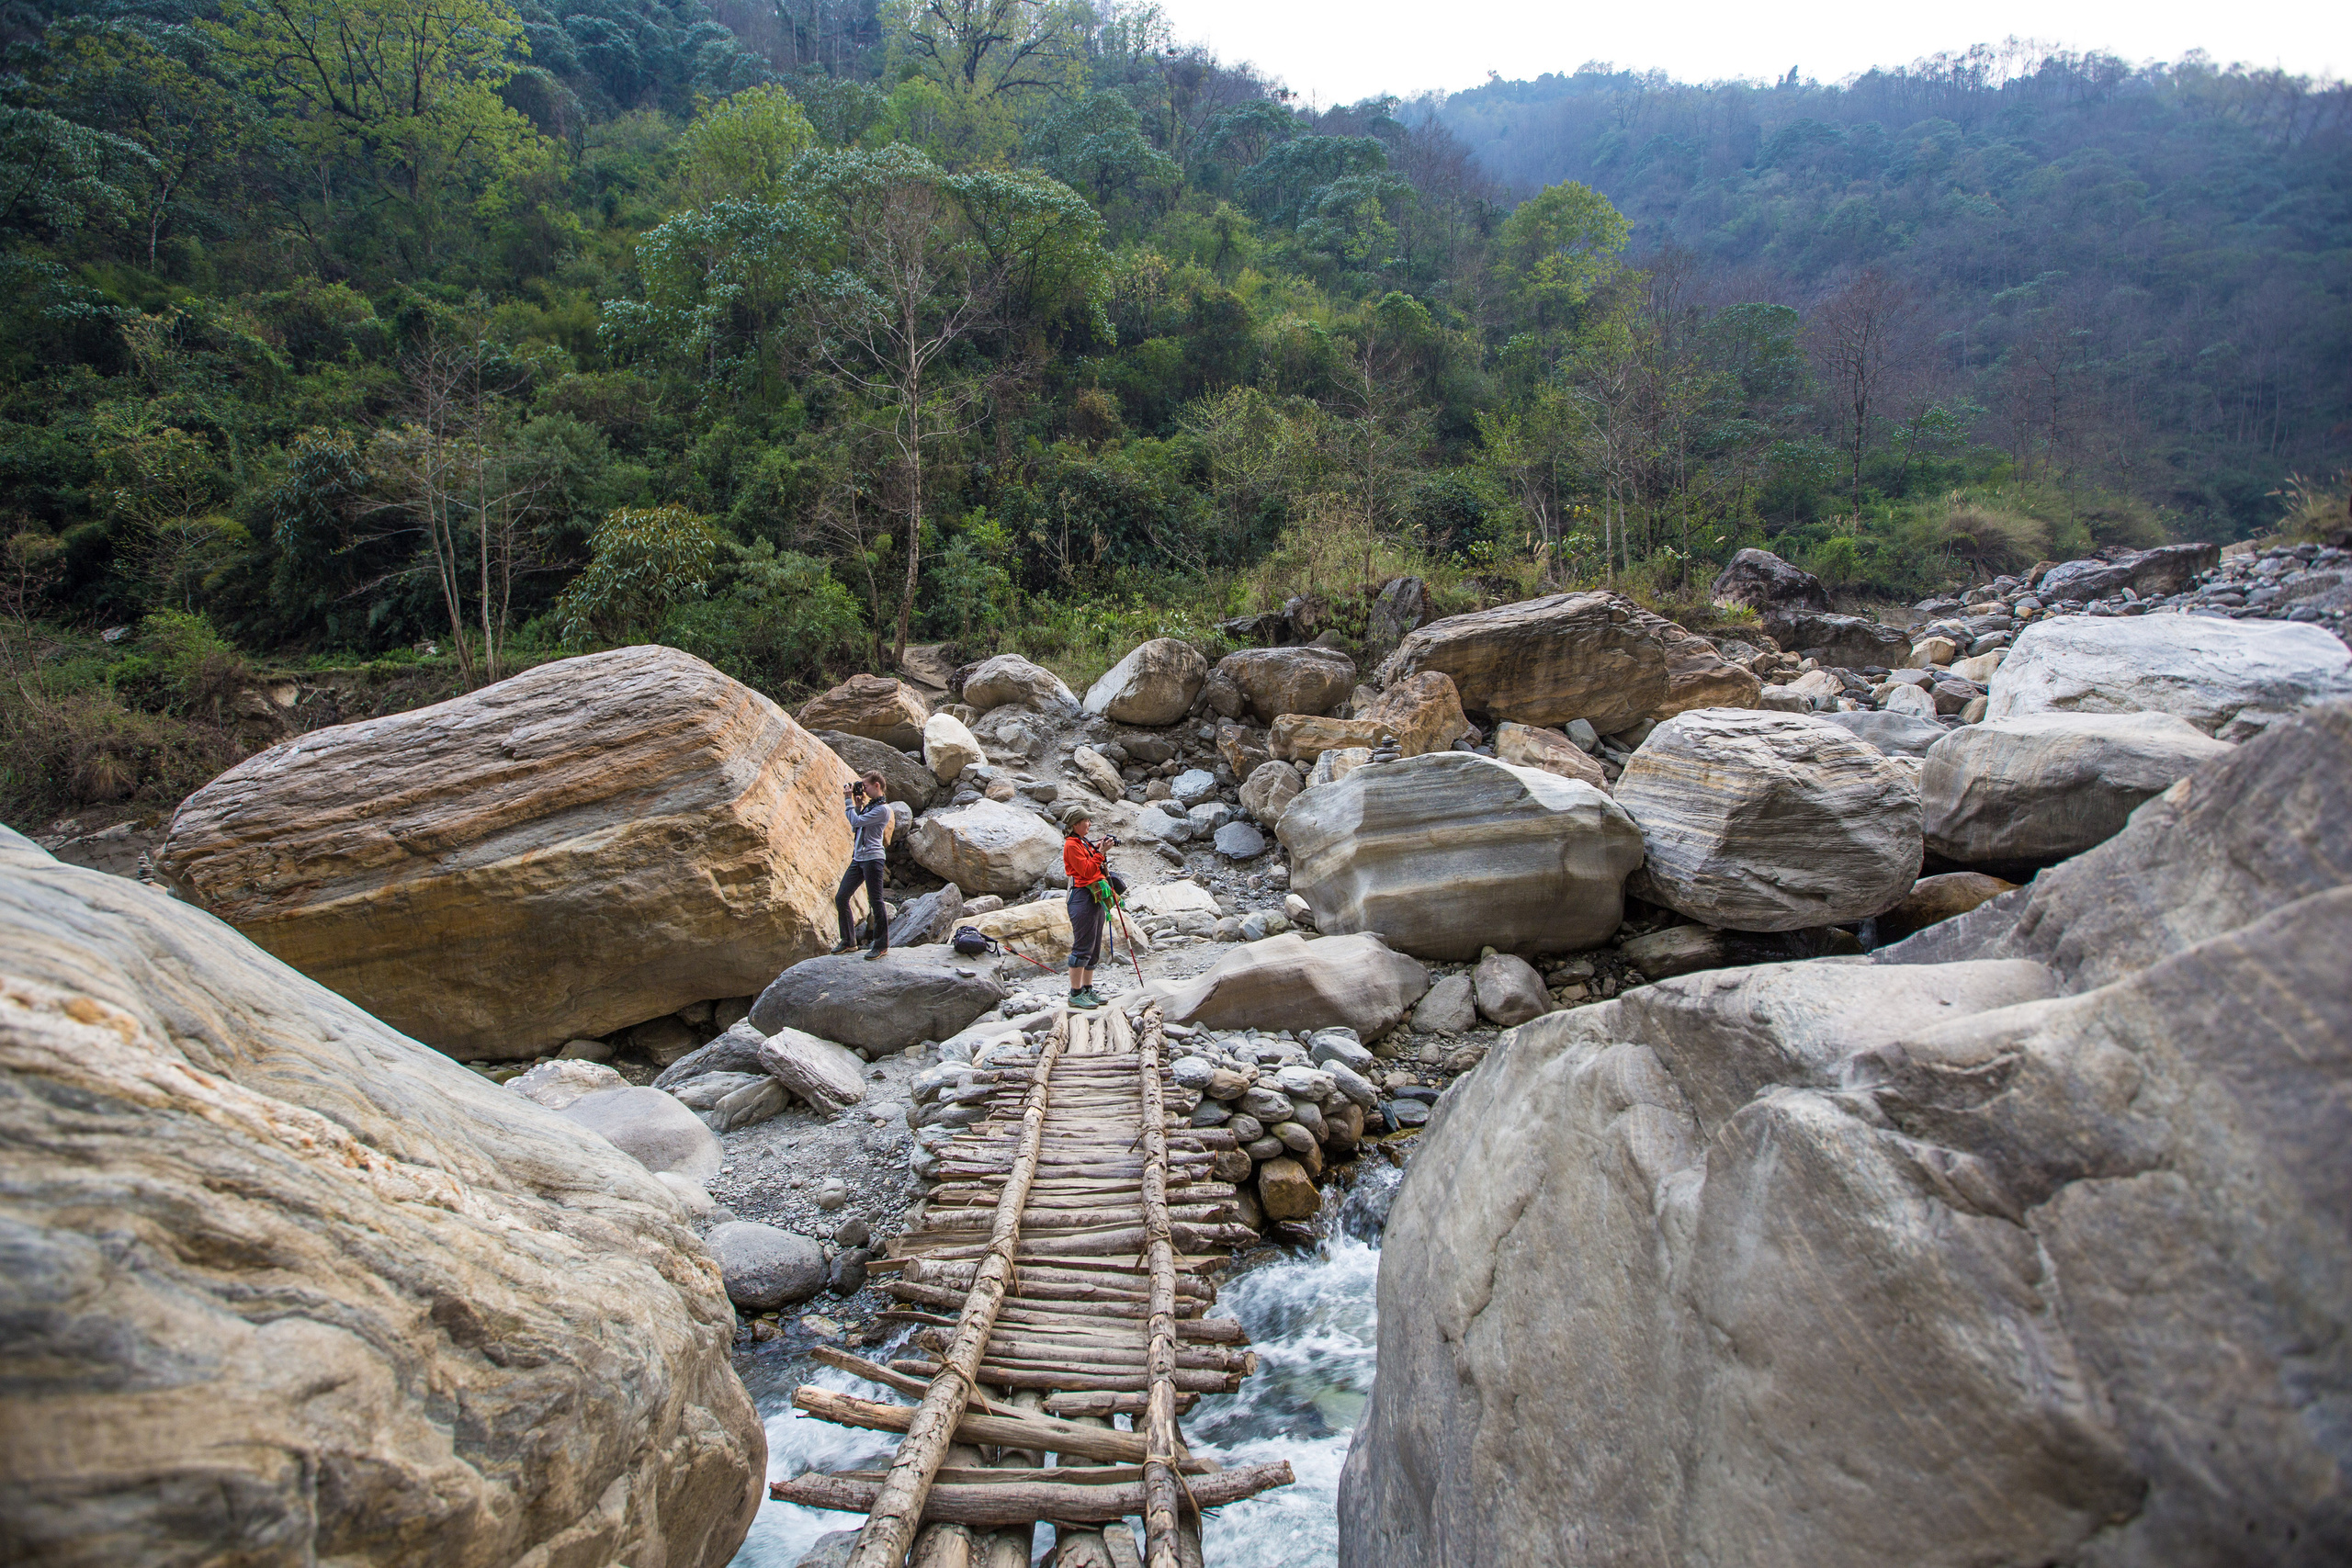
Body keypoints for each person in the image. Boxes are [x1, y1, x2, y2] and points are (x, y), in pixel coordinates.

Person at [1060, 805, 1114, 1010]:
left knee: (1094, 945)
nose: (1089, 824)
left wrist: (1098, 850)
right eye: (1086, 821)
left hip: (1094, 896)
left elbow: (1093, 863)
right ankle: (1075, 993)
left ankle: (1087, 989)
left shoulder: (1082, 842)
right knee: (1083, 945)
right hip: (1081, 897)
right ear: (1076, 824)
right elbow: (1087, 871)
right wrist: (1101, 852)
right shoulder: (1071, 845)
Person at [835, 771, 892, 960]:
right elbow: (856, 827)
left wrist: (847, 801)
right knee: (842, 897)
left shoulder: (882, 809)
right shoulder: (870, 807)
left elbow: (856, 821)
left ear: (877, 786)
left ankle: (881, 945)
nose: (863, 790)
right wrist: (859, 806)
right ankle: (849, 941)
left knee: (876, 902)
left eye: (865, 786)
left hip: (873, 859)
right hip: (859, 858)